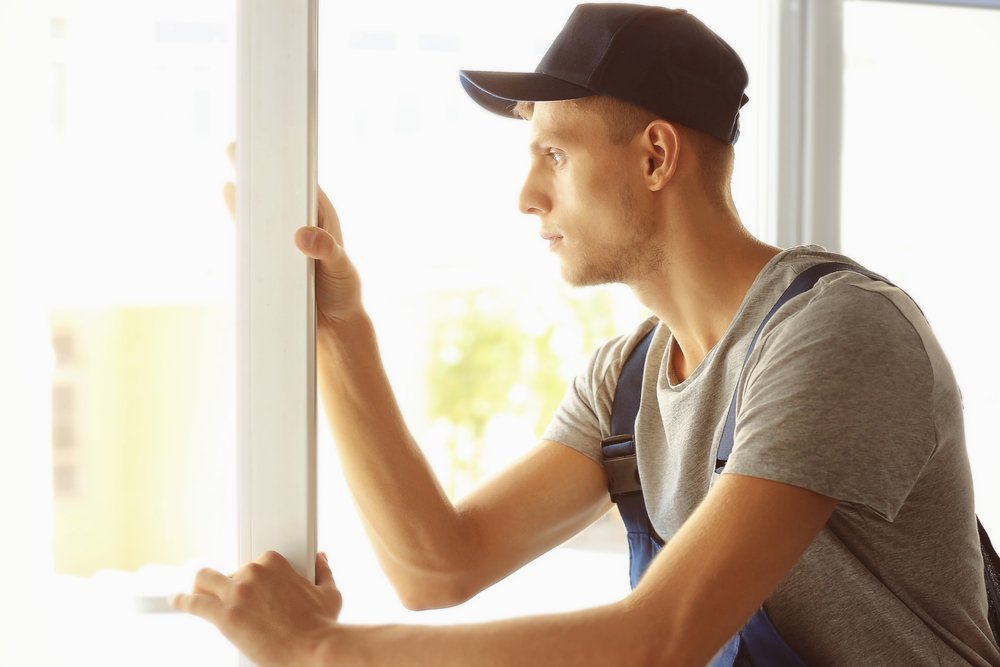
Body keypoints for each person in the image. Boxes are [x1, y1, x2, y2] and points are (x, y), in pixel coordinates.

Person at [169, 4, 1000, 665]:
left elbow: (659, 638)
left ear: (655, 156)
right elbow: (436, 566)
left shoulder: (836, 332)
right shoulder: (629, 380)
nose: (527, 196)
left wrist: (320, 649)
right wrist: (339, 329)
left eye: (553, 155)